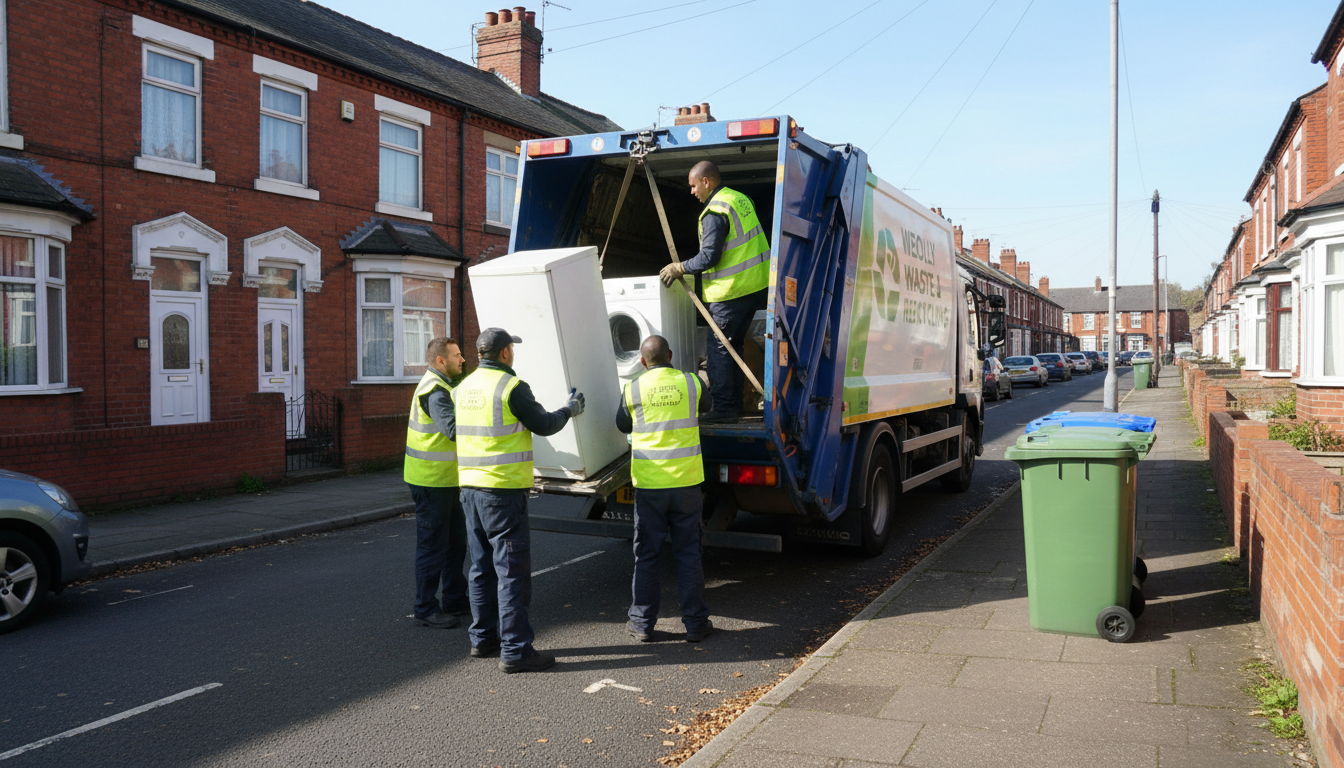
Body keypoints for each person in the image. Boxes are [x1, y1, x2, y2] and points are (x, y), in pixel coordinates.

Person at [450, 328, 586, 674]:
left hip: (469, 489)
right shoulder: (512, 386)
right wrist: (569, 409)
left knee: (480, 568)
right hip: (502, 492)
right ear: (506, 353)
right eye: (513, 348)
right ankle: (516, 650)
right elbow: (544, 425)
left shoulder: (463, 387)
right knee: (510, 572)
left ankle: (482, 639)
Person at [616, 335, 712, 644]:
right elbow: (708, 406)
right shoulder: (691, 382)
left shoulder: (632, 389)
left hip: (650, 487)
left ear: (643, 361)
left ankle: (642, 624)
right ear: (670, 355)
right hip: (686, 484)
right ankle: (696, 624)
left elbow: (622, 425)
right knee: (689, 555)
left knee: (647, 555)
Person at [659, 160, 770, 424]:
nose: (692, 191)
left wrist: (679, 268)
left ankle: (724, 409)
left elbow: (708, 257)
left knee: (720, 349)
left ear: (706, 182)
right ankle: (736, 405)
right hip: (753, 287)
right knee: (733, 347)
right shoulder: (739, 199)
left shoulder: (714, 212)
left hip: (730, 292)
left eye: (694, 185)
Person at [404, 336, 468, 629]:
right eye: (456, 355)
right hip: (431, 482)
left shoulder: (443, 386)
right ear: (440, 360)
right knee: (433, 546)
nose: (462, 359)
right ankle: (425, 608)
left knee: (455, 543)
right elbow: (453, 429)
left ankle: (454, 599)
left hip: (445, 481)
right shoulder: (435, 391)